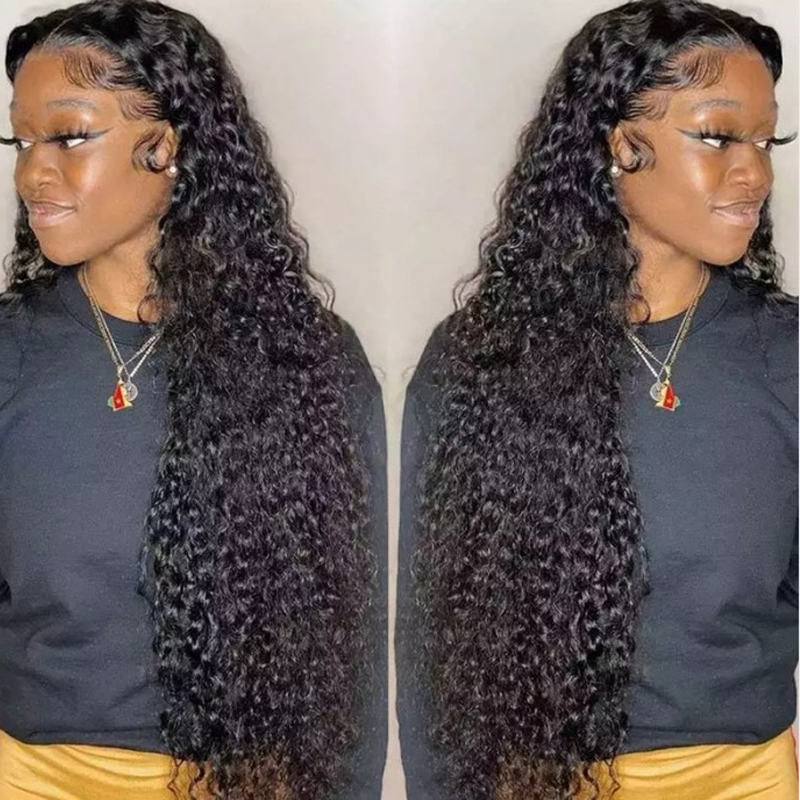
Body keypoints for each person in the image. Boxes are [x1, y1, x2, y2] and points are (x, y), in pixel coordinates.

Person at [396, 1, 798, 798]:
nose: (755, 174)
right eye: (719, 137)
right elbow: (430, 644)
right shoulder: (478, 363)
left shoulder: (785, 357)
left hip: (740, 778)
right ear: (622, 145)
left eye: (766, 142)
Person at [0, 1, 387, 799]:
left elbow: (352, 646)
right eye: (21, 142)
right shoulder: (11, 353)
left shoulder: (310, 365)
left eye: (67, 137)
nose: (32, 174)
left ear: (167, 146)